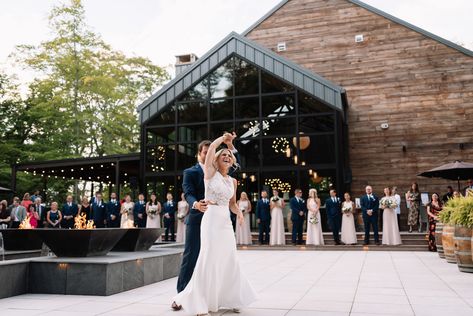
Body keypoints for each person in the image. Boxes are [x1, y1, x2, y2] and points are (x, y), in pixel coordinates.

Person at [173, 132, 256, 315]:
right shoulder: (207, 172)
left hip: (225, 222)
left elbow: (233, 204)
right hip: (204, 218)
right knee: (198, 256)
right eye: (222, 155)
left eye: (229, 155)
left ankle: (231, 297)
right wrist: (222, 138)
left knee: (228, 258)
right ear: (213, 159)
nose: (226, 156)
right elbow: (188, 192)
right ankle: (188, 297)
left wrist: (240, 214)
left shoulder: (232, 180)